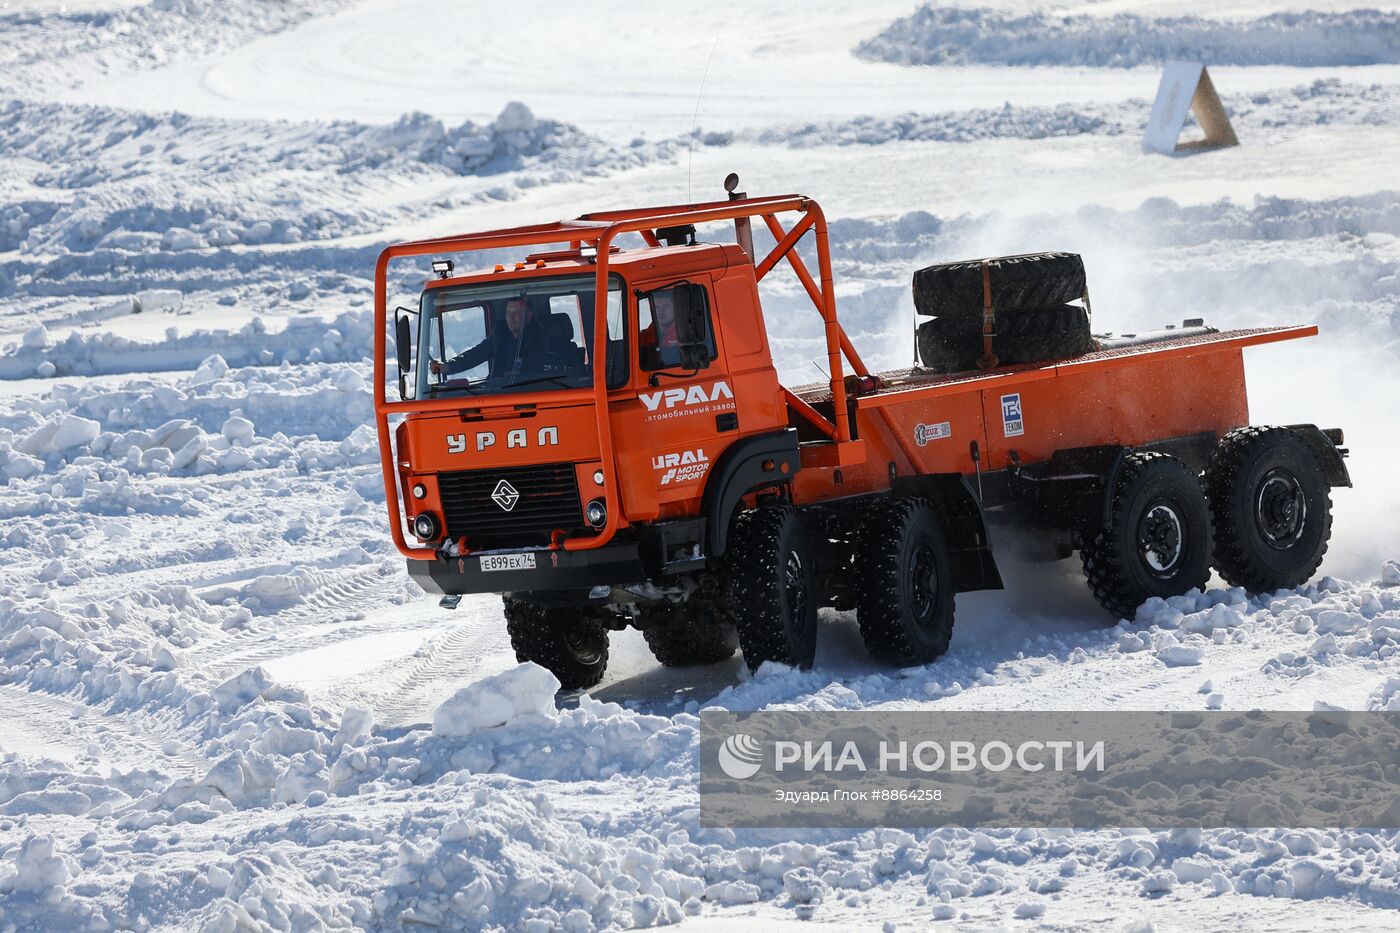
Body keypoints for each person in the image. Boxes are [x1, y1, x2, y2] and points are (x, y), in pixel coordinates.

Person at [433, 297, 548, 379]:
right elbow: (476, 354)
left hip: (529, 392)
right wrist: (447, 367)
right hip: (498, 393)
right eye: (508, 313)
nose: (511, 318)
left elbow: (540, 367)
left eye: (516, 313)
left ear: (529, 315)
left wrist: (519, 373)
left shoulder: (541, 337)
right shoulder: (500, 334)